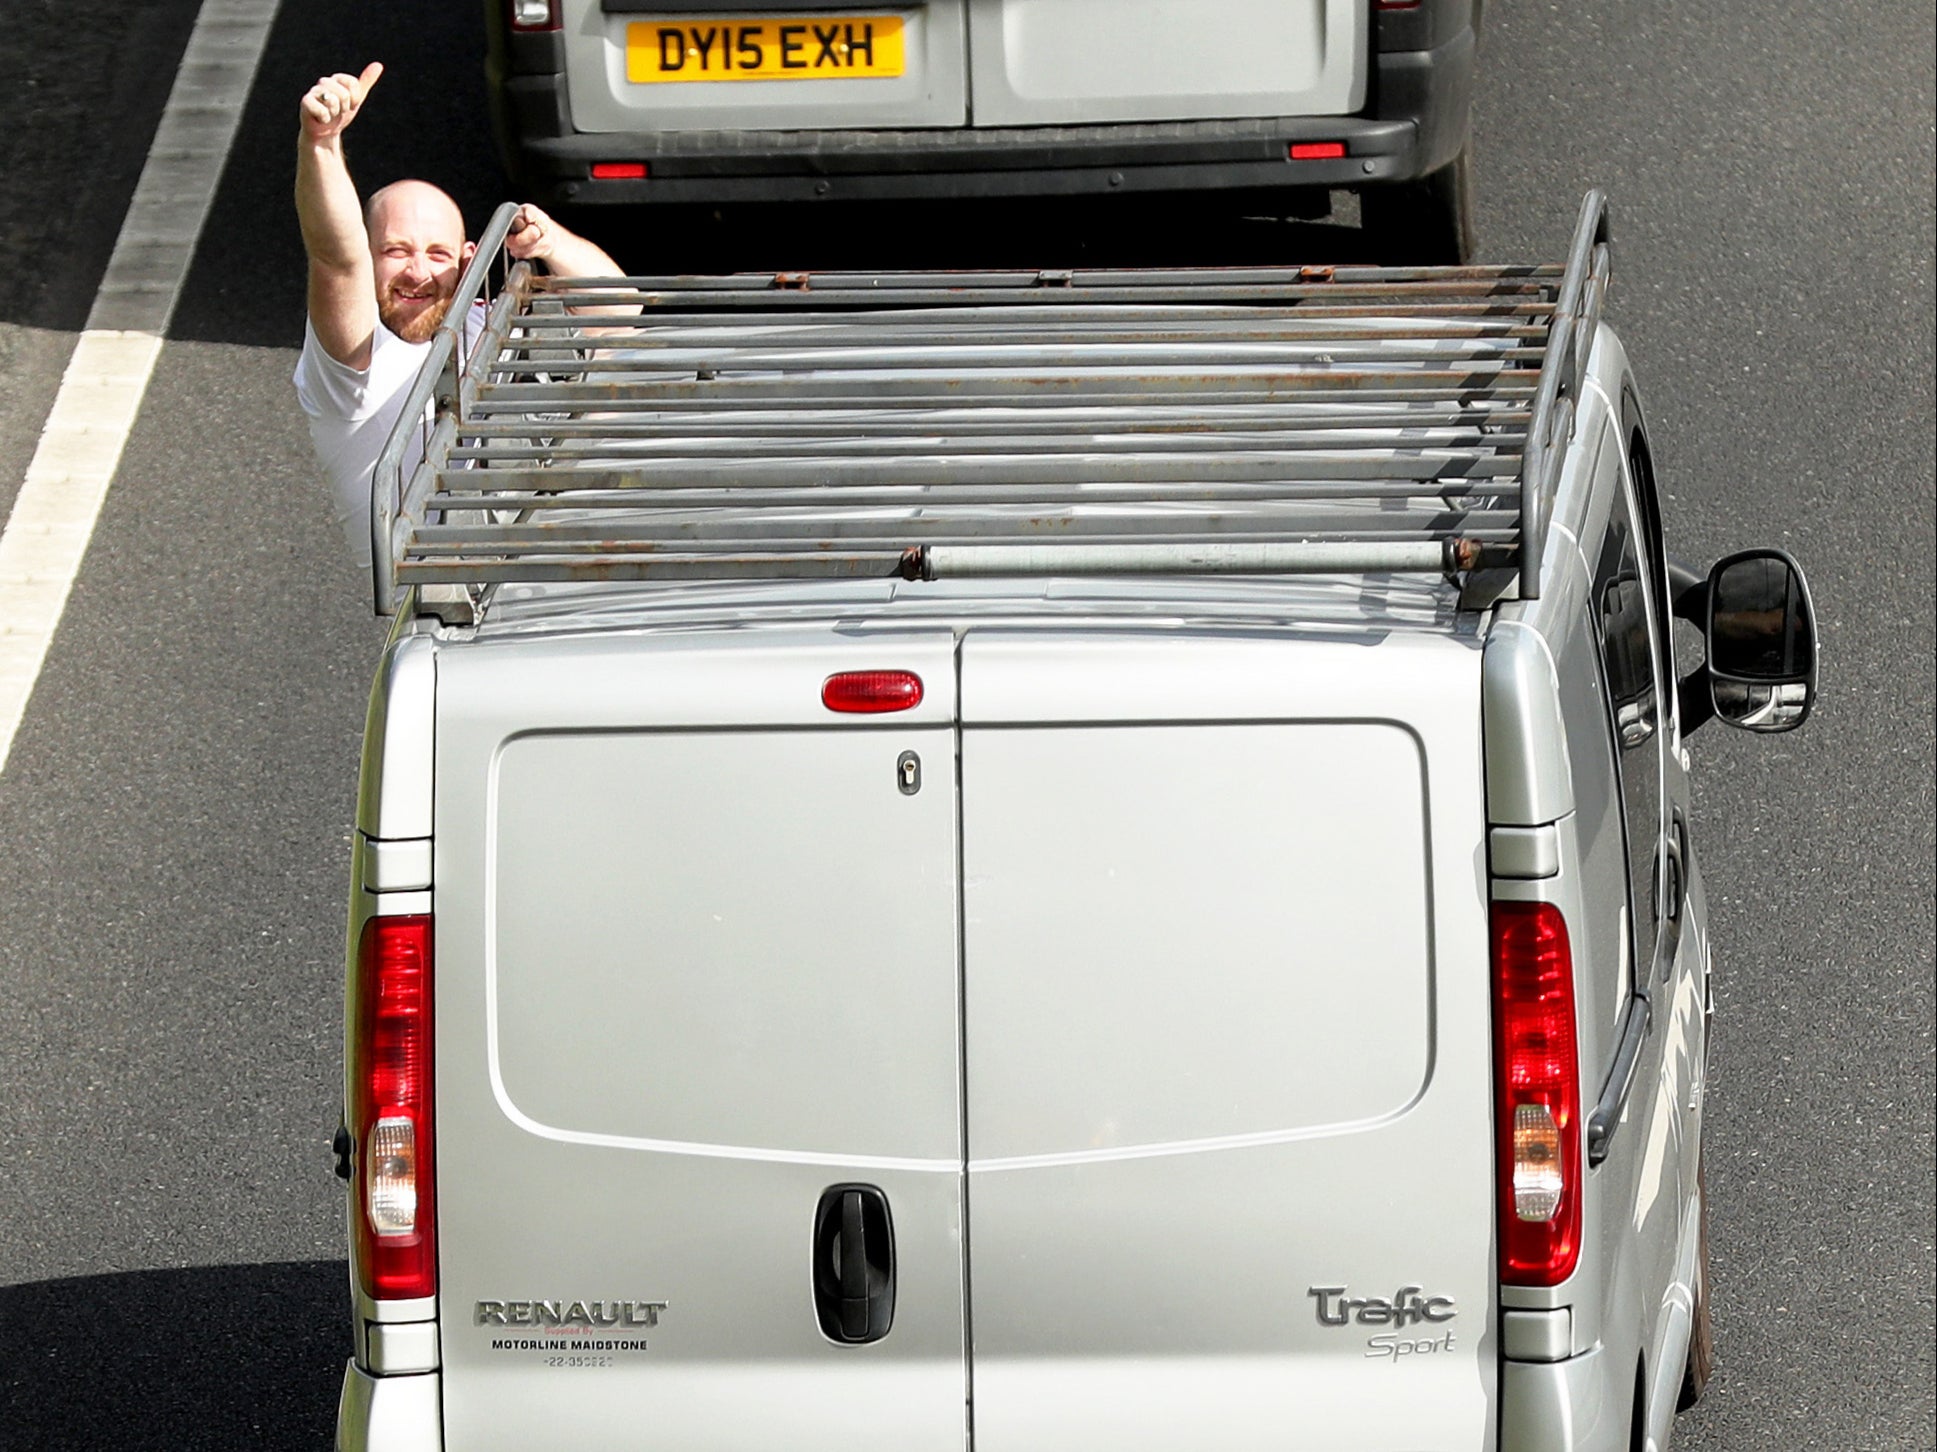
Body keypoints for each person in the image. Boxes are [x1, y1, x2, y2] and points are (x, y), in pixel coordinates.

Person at [292, 61, 630, 585]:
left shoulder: (481, 318)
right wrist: (321, 143)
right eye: (395, 251)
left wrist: (552, 243)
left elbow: (620, 317)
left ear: (468, 260)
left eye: (436, 253)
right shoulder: (351, 367)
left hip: (558, 568)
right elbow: (337, 258)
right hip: (453, 611)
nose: (419, 272)